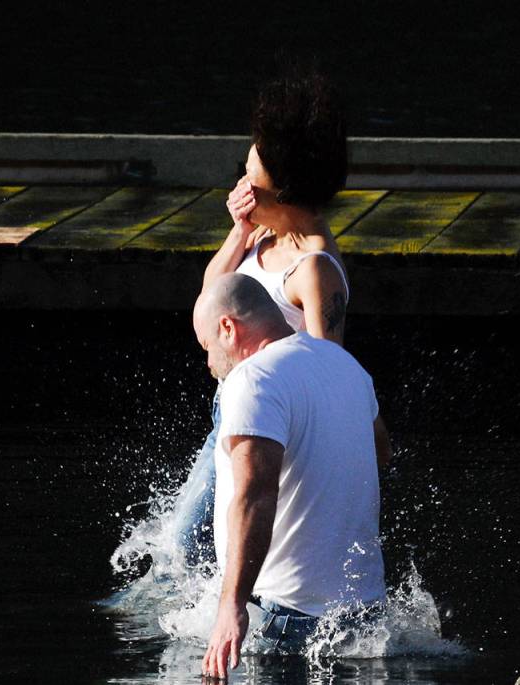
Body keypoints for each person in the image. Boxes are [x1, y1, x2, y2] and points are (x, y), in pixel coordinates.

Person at [174, 65, 358, 566]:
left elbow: (328, 373)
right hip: (228, 411)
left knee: (188, 545)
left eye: (253, 184)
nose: (243, 190)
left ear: (288, 194)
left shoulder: (314, 267)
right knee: (186, 544)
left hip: (268, 424)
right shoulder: (264, 234)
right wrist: (237, 231)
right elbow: (212, 300)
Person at [193, 273, 391, 679]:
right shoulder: (344, 364)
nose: (210, 364)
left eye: (206, 347)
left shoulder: (252, 380)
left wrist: (231, 605)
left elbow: (255, 495)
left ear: (228, 327)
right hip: (365, 615)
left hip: (287, 621)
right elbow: (382, 453)